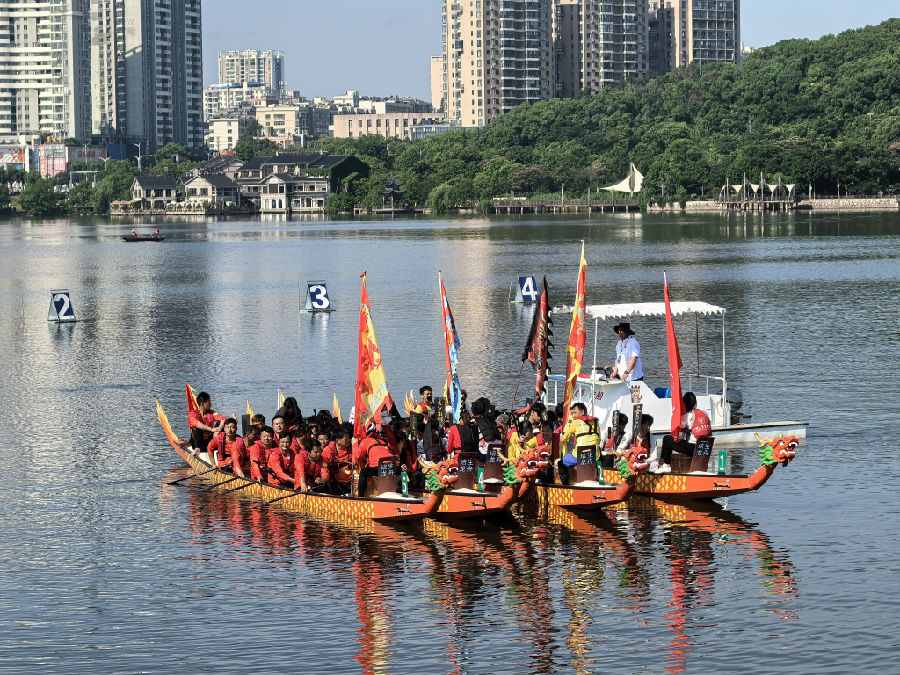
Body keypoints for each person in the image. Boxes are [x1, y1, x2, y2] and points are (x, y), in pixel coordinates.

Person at [658, 392, 712, 473]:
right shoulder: (704, 412)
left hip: (693, 448)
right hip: (706, 447)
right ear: (694, 403)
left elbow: (679, 436)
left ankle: (665, 465)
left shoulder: (685, 416)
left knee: (667, 439)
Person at [353, 419, 399, 497]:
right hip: (393, 467)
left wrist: (354, 444)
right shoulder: (383, 441)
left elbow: (358, 455)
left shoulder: (366, 441)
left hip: (380, 467)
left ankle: (360, 497)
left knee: (363, 472)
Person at [557, 403, 601, 484]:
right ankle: (600, 478)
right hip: (594, 455)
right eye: (572, 413)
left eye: (575, 412)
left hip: (580, 455)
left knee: (561, 463)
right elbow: (599, 440)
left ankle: (565, 485)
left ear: (582, 412)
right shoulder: (596, 423)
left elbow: (564, 438)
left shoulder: (576, 422)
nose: (573, 415)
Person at [188, 391, 225, 456]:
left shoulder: (211, 413)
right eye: (209, 402)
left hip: (208, 440)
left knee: (221, 423)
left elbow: (223, 419)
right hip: (198, 442)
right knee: (196, 428)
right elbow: (197, 424)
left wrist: (219, 428)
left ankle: (219, 447)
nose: (210, 404)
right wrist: (211, 429)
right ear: (202, 404)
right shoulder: (193, 414)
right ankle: (197, 449)